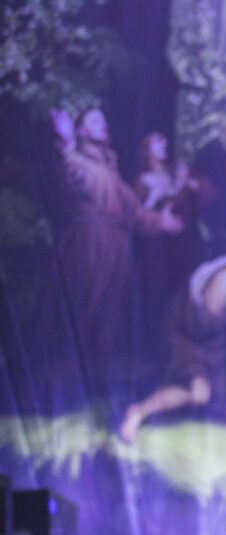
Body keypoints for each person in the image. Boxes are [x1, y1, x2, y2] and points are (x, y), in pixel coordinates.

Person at [118, 232, 226, 442]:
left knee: (222, 399)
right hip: (188, 335)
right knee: (198, 393)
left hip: (209, 339)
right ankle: (138, 411)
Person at [48, 108, 184, 365]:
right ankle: (68, 368)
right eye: (94, 121)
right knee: (84, 306)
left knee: (108, 313)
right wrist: (65, 144)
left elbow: (134, 211)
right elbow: (69, 173)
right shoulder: (80, 162)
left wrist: (160, 221)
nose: (103, 124)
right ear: (81, 131)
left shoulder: (110, 171)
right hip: (90, 247)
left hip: (115, 251)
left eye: (103, 120)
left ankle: (96, 369)